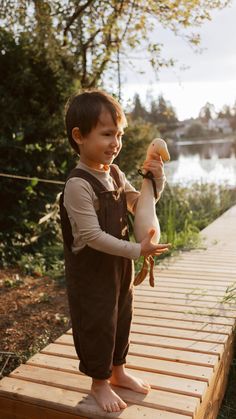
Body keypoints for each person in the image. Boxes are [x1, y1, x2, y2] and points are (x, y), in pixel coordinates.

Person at [59, 89, 169, 413]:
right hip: (91, 272)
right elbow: (92, 235)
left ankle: (118, 371)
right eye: (107, 134)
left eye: (119, 134)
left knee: (122, 317)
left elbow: (139, 204)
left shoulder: (115, 173)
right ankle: (99, 382)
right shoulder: (78, 184)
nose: (115, 142)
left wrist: (155, 180)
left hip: (119, 268)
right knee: (97, 324)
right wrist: (137, 249)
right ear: (79, 136)